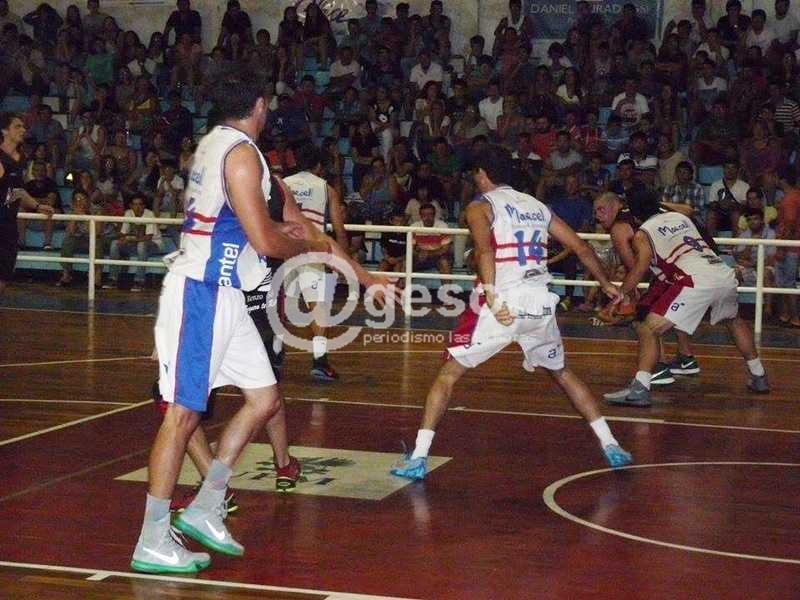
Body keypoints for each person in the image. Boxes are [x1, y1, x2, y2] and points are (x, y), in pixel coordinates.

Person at [130, 68, 335, 575]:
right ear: (259, 106)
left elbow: (244, 227)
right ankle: (152, 537)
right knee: (182, 415)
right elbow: (267, 244)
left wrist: (275, 226)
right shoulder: (242, 153)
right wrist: (305, 242)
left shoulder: (214, 145)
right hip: (200, 292)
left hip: (228, 293)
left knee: (265, 398)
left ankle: (206, 503)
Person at [390, 146, 633, 480]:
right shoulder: (536, 205)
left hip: (503, 301)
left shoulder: (480, 206)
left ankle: (418, 458)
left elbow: (485, 251)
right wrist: (605, 284)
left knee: (447, 375)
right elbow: (581, 247)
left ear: (482, 174)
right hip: (540, 303)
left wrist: (490, 295)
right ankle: (611, 445)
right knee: (563, 374)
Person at [604, 189, 769, 407]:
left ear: (634, 215)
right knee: (734, 320)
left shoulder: (643, 233)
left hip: (694, 279)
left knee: (647, 328)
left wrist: (620, 294)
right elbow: (687, 212)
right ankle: (759, 377)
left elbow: (639, 268)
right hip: (721, 272)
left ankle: (639, 389)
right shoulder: (681, 217)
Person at [593, 191, 700, 384]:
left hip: (680, 265)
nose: (597, 216)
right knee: (676, 309)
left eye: (600, 210)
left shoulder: (620, 228)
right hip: (696, 258)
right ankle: (686, 358)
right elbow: (689, 210)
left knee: (645, 312)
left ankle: (658, 367)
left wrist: (626, 297)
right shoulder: (653, 209)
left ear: (613, 206)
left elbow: (635, 269)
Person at [282, 144, 348, 381]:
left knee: (281, 307)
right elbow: (339, 230)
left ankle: (274, 358)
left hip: (284, 249)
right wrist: (343, 261)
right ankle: (320, 362)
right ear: (319, 166)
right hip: (312, 250)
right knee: (318, 306)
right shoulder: (326, 188)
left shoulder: (282, 183)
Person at [0, 112, 54, 295]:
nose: (23, 130)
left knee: (4, 277)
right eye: (17, 126)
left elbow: (18, 191)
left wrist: (38, 206)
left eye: (24, 126)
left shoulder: (21, 159)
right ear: (4, 131)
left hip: (8, 223)